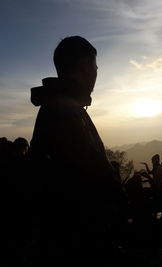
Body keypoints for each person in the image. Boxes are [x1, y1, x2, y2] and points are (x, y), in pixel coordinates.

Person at [30, 36, 127, 266]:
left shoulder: (60, 107)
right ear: (84, 66)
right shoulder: (65, 112)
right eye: (95, 66)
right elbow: (82, 184)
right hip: (80, 245)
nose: (96, 72)